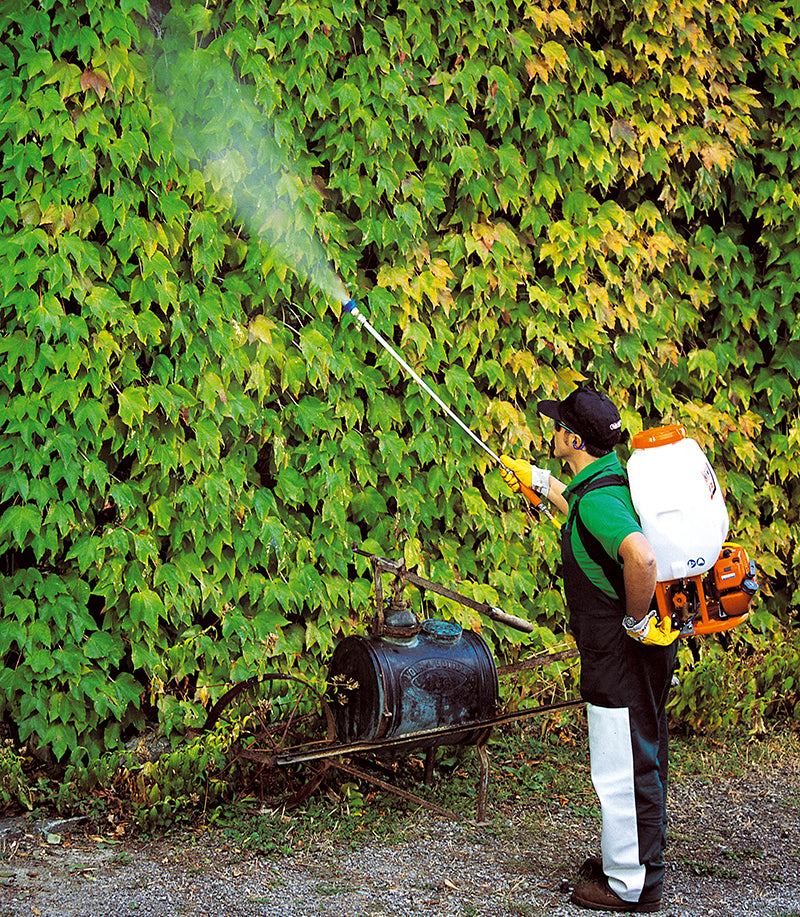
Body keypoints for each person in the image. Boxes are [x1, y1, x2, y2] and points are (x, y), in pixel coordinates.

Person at [499, 385, 679, 914]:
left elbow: (640, 558)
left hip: (620, 654)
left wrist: (635, 619)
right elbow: (582, 508)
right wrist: (540, 483)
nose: (551, 429)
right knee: (638, 757)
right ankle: (637, 862)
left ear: (574, 438)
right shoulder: (607, 481)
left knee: (622, 767)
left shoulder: (600, 501)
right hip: (637, 654)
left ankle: (631, 886)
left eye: (558, 425)